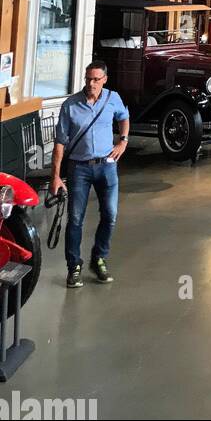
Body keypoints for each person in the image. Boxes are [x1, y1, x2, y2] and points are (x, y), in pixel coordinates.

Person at [50, 59, 129, 289]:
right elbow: (59, 144)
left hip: (107, 166)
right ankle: (74, 267)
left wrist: (123, 141)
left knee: (110, 215)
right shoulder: (71, 105)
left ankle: (99, 258)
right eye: (88, 79)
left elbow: (123, 117)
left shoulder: (112, 98)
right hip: (79, 168)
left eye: (96, 79)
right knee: (75, 219)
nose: (91, 84)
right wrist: (55, 176)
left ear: (104, 80)